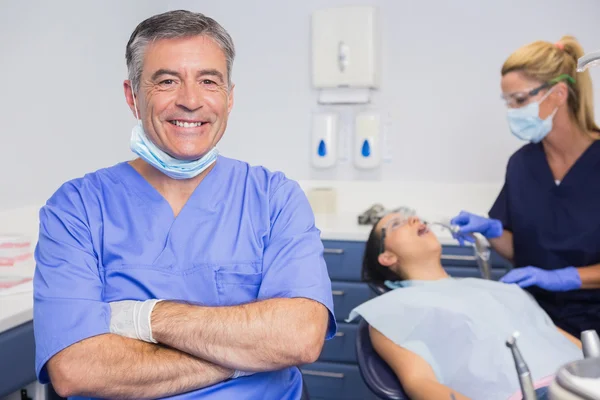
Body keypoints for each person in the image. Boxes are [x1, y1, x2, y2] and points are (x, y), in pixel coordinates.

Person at [32, 10, 335, 400]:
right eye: (167, 81)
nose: (191, 101)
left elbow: (300, 338)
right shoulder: (75, 209)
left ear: (229, 97)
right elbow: (77, 368)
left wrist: (141, 318)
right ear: (133, 96)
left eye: (208, 81)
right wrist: (244, 355)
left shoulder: (275, 198)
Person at [450, 35, 600, 338]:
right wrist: (493, 230)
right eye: (507, 102)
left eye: (519, 101)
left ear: (558, 94)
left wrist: (567, 277)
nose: (512, 112)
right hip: (535, 318)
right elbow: (522, 253)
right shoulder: (522, 164)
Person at [353, 211, 582, 400]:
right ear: (387, 257)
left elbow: (554, 334)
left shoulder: (494, 289)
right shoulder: (391, 311)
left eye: (412, 215)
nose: (415, 219)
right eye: (396, 224)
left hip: (583, 376)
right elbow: (421, 384)